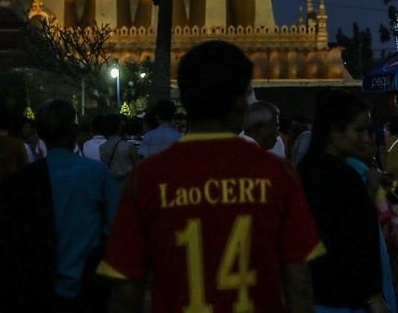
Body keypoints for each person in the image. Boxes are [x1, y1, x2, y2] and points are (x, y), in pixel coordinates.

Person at [99, 40, 321, 313]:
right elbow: (299, 287)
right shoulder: (278, 175)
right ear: (242, 102)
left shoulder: (146, 180)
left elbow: (126, 293)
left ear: (185, 101)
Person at [0, 98, 119, 313]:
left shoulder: (21, 181)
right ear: (74, 131)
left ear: (41, 133)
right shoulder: (97, 174)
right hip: (87, 289)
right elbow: (115, 231)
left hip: (36, 291)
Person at [298, 88, 392, 313]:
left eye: (367, 131)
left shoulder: (304, 172)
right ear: (333, 131)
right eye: (359, 131)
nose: (365, 139)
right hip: (345, 299)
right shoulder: (344, 177)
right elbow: (354, 241)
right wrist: (373, 296)